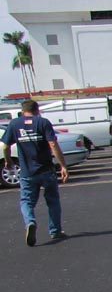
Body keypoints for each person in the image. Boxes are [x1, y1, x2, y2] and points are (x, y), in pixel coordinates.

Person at [1, 100, 68, 246]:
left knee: (26, 201)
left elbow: (5, 146)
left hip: (27, 172)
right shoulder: (43, 122)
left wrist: (8, 161)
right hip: (46, 170)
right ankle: (55, 230)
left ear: (22, 111)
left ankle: (30, 222)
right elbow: (53, 144)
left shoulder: (14, 124)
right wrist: (62, 165)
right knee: (52, 200)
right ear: (37, 110)